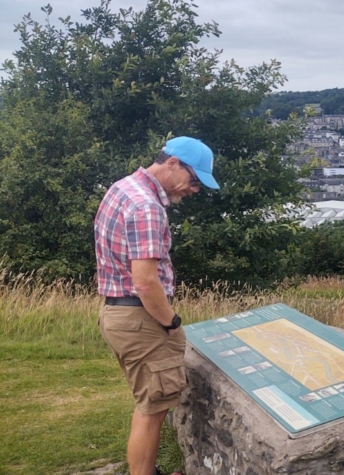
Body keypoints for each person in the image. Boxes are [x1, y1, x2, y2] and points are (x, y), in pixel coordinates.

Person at [95, 136, 219, 475]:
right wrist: (171, 324)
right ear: (173, 163)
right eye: (194, 180)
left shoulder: (122, 188)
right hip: (142, 318)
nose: (194, 190)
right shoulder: (147, 206)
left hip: (117, 312)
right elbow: (146, 281)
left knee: (148, 402)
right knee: (153, 409)